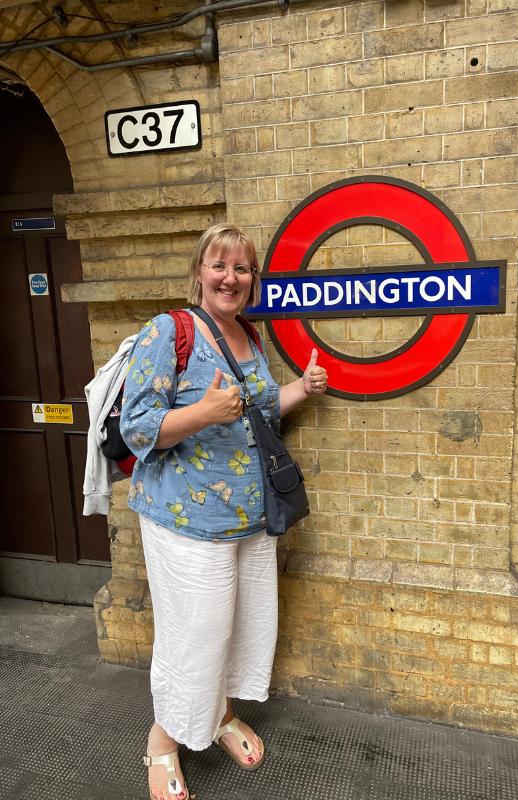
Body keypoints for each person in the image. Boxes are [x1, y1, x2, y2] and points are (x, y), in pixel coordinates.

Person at [120, 222, 328, 800]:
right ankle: (163, 742)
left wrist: (301, 389)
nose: (230, 278)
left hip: (250, 519)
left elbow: (257, 410)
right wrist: (202, 413)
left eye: (241, 268)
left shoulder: (249, 337)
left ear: (252, 280)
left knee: (238, 630)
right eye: (219, 266)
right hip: (187, 524)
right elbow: (137, 427)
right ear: (199, 273)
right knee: (195, 636)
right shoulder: (170, 332)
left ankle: (216, 718)